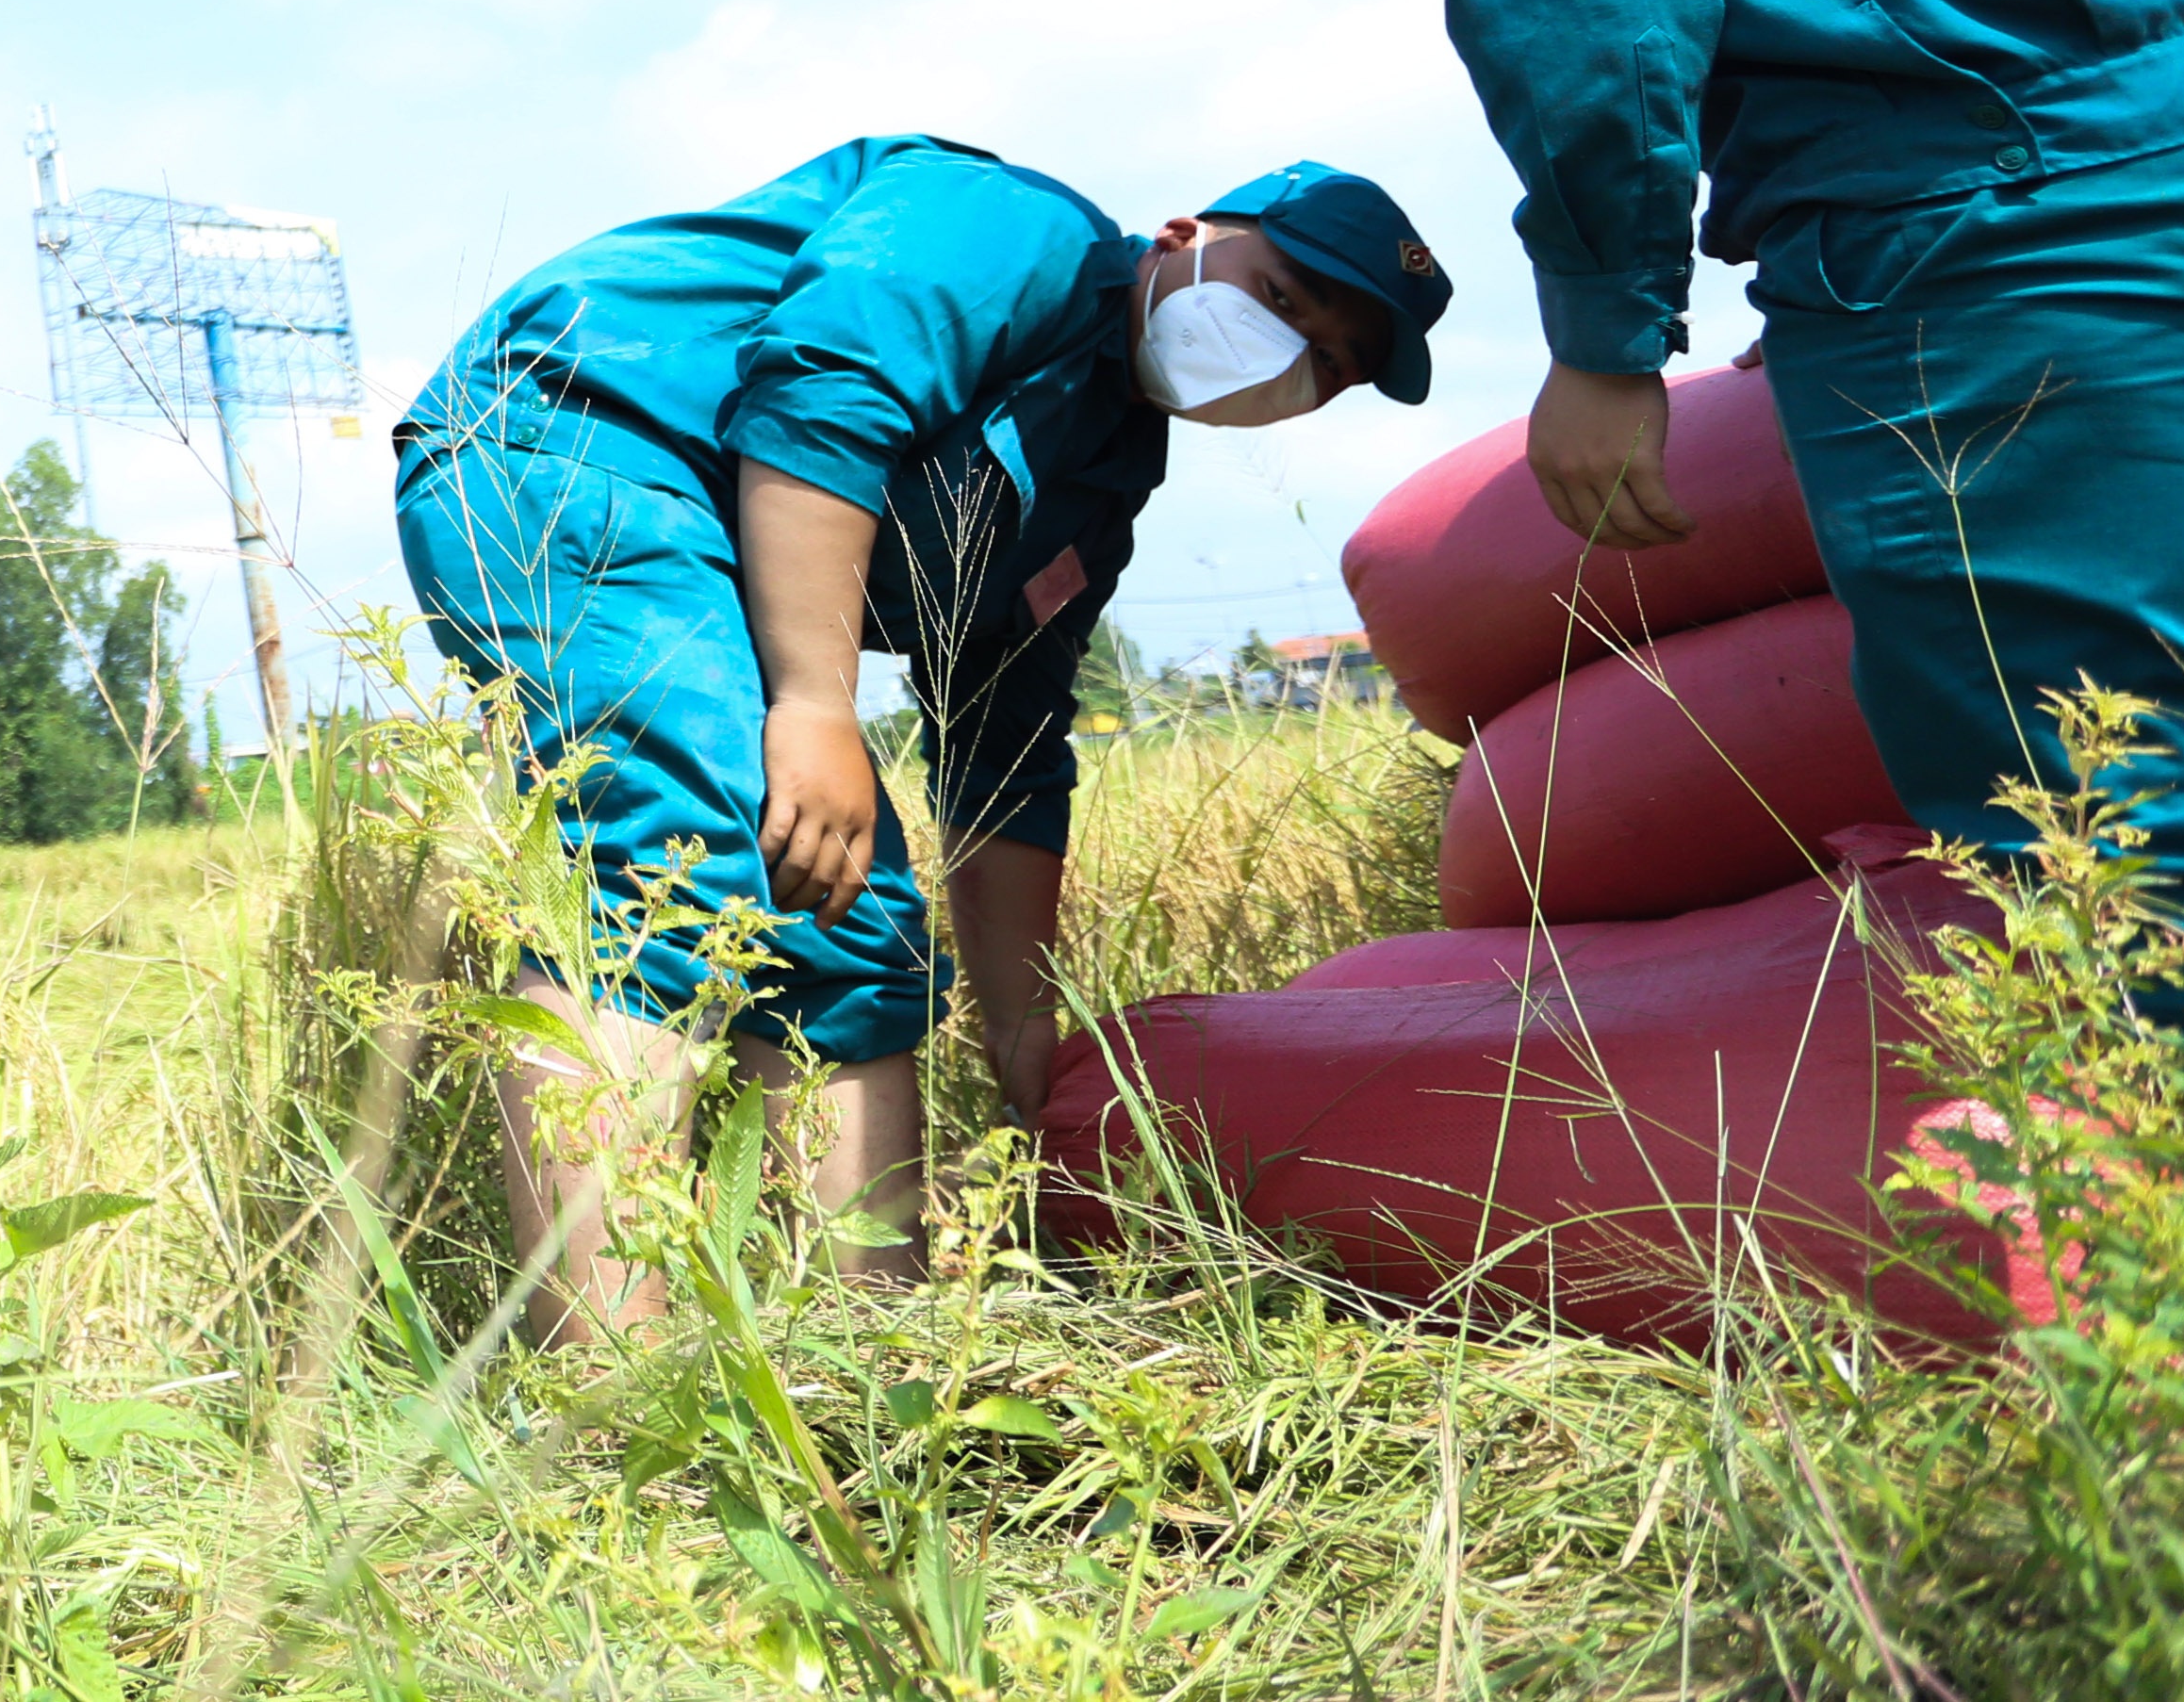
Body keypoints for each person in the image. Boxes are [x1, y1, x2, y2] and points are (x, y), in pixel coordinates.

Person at [1071, 0, 2184, 994]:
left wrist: (1602, 337)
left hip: (1974, 178)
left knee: (2070, 776)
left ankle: (2135, 1215)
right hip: (2113, 109)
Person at [389, 136, 1448, 1340]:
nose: (1284, 354)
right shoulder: (1007, 229)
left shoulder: (1099, 478)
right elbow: (816, 407)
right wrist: (816, 707)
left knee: (855, 908)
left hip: (719, 555)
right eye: (1277, 299)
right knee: (675, 860)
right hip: (577, 440)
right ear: (1182, 238)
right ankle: (603, 1408)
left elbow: (1004, 746)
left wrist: (1018, 1024)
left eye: (1326, 362)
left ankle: (866, 1367)